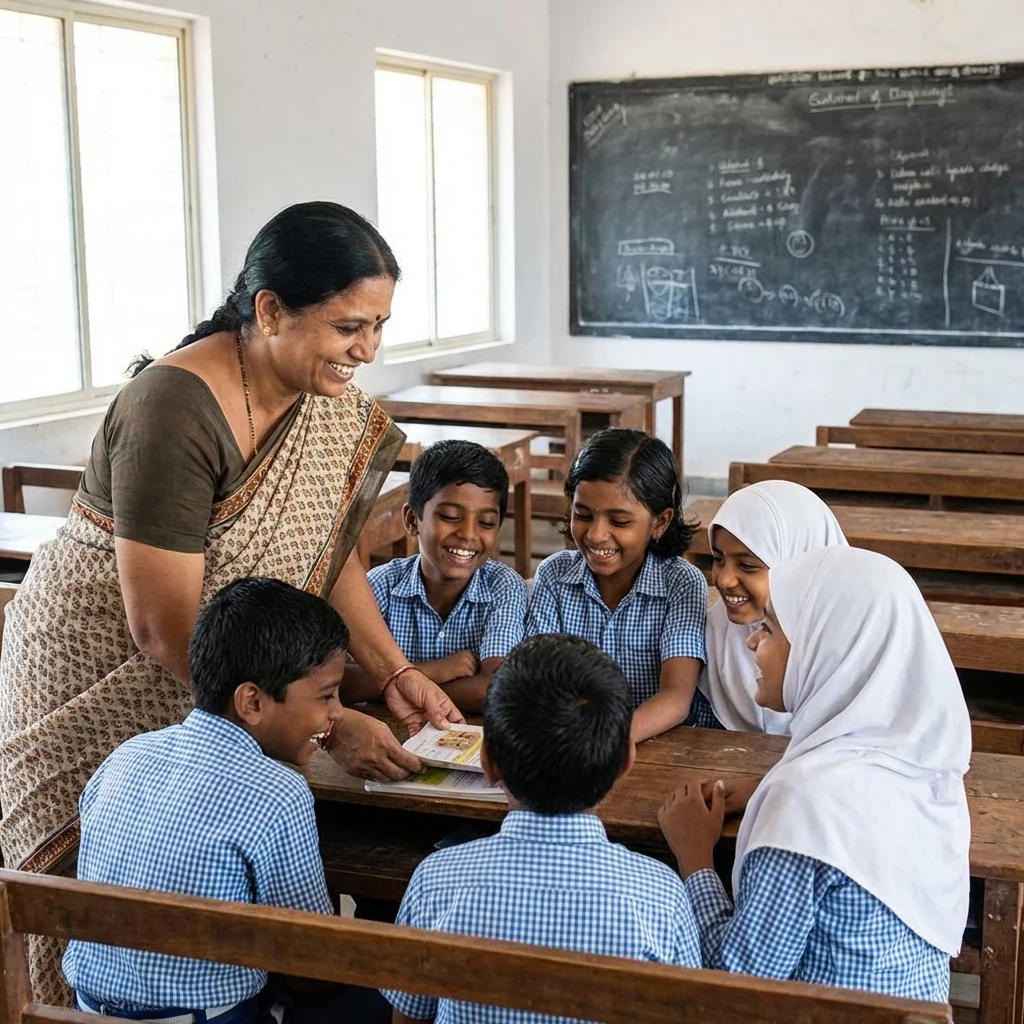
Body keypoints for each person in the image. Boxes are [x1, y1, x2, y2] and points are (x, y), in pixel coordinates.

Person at [0, 202, 461, 1002]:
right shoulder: (173, 407)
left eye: (380, 325)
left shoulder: (324, 399)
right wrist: (320, 722)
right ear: (270, 309)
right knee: (91, 891)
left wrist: (392, 675)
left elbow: (330, 554)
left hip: (224, 685)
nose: (368, 350)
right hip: (95, 671)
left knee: (201, 900)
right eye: (349, 325)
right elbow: (161, 625)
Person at [64, 577, 390, 1024]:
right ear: (251, 702)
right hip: (204, 1018)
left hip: (85, 1011)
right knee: (395, 998)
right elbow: (312, 965)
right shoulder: (278, 792)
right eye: (326, 695)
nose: (336, 713)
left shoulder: (128, 754)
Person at [658, 546, 971, 1001]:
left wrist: (694, 859)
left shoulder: (807, 802)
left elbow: (737, 979)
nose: (751, 642)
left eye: (769, 630)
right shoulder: (925, 772)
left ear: (826, 649)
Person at [383, 633, 702, 1024]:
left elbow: (408, 1020)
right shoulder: (660, 895)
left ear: (488, 764)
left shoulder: (437, 880)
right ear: (625, 761)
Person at [525, 428, 715, 741]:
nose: (596, 535)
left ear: (660, 522)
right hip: (572, 743)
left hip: (657, 748)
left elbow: (676, 698)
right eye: (583, 514)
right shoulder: (553, 576)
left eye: (619, 521)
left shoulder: (681, 583)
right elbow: (538, 681)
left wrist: (607, 742)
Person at [351, 440, 526, 714]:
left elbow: (494, 690)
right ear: (411, 520)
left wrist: (389, 683)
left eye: (486, 523)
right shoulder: (381, 585)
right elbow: (337, 682)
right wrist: (433, 671)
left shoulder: (503, 587)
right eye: (450, 516)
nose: (468, 534)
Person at [698, 480, 847, 735]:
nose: (724, 580)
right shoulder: (712, 636)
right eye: (718, 560)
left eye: (747, 565)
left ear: (800, 566)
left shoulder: (847, 653)